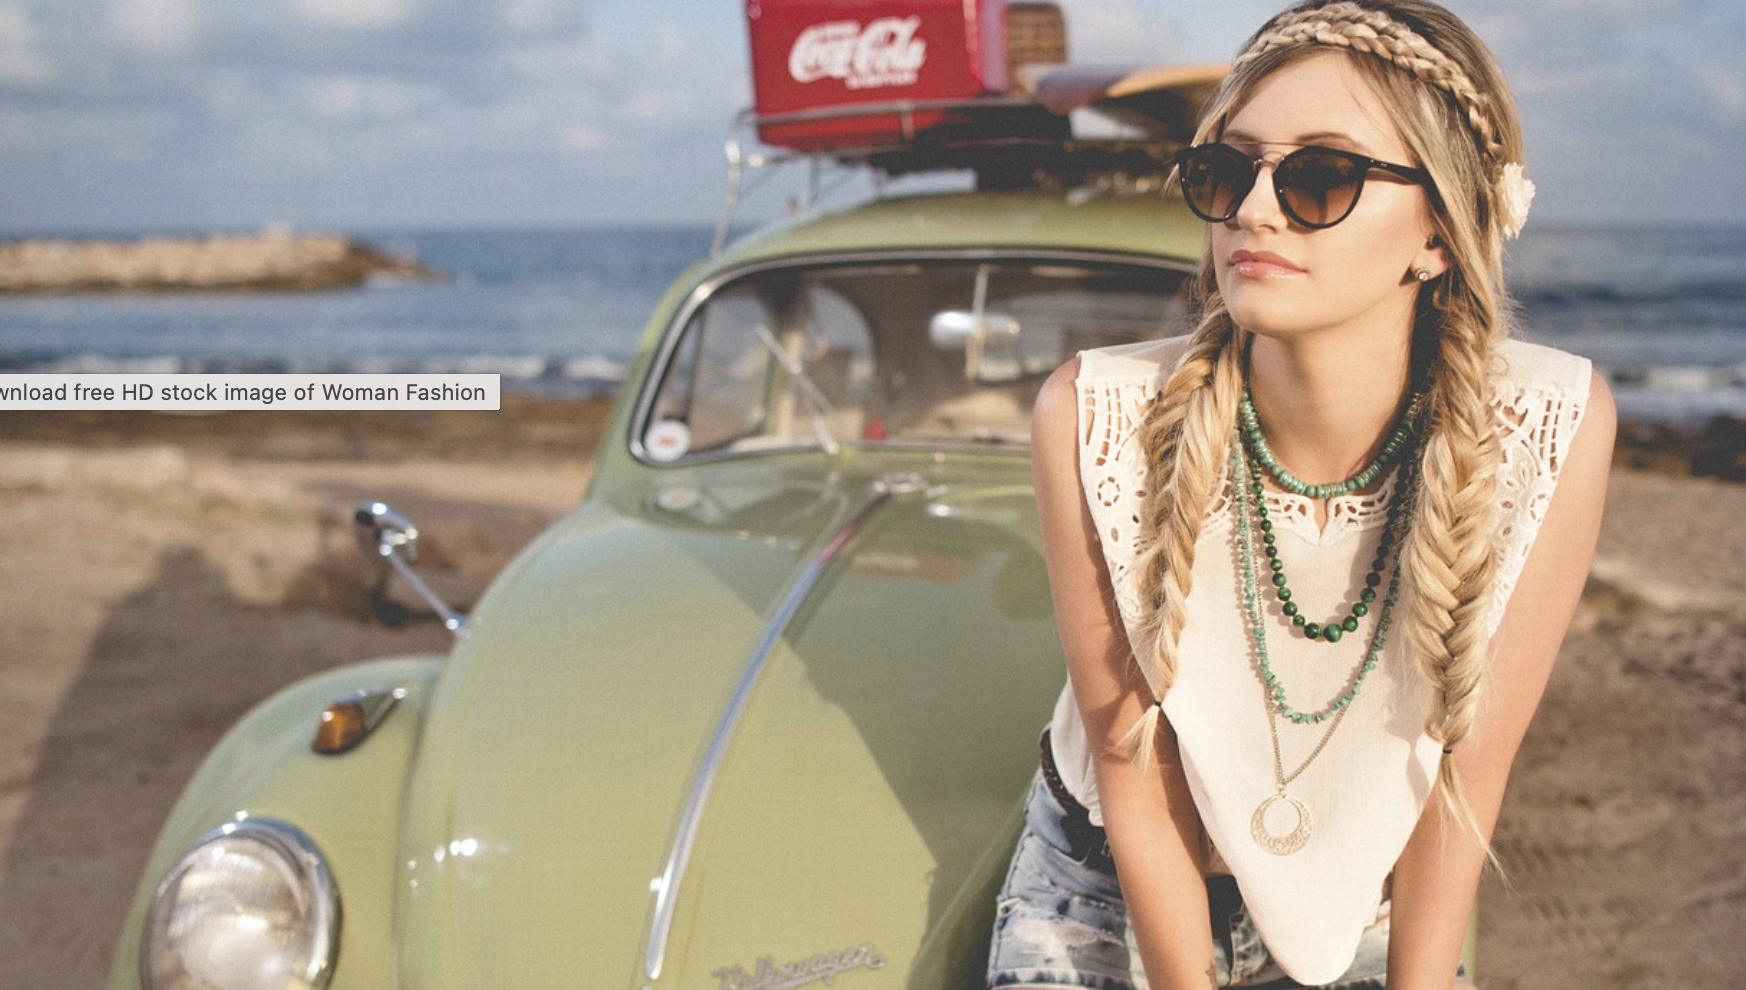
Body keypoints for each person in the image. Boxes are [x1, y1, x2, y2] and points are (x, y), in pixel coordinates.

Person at [989, 2, 1615, 988]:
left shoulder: (1550, 427)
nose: (1256, 208)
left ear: (1438, 239)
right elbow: (1131, 769)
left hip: (1362, 887)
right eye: (1229, 170)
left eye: (1322, 175)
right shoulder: (1095, 414)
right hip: (1106, 877)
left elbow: (1468, 774)